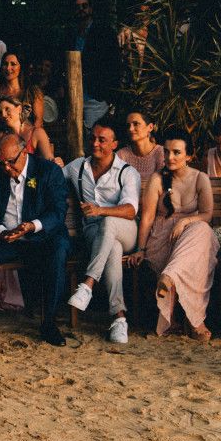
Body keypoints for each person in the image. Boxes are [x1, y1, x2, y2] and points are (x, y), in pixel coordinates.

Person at [0, 134, 70, 345]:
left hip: (41, 237)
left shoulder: (48, 171)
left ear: (24, 153)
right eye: (1, 162)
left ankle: (49, 323)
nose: (6, 168)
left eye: (10, 162)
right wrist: (1, 232)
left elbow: (58, 211)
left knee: (59, 250)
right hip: (8, 239)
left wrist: (32, 226)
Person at [127, 130, 217, 341]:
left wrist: (185, 221)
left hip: (191, 238)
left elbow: (207, 214)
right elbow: (147, 218)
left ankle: (169, 277)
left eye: (177, 152)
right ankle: (196, 322)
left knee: (202, 230)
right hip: (163, 240)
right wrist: (141, 249)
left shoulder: (200, 178)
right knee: (197, 253)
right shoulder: (157, 179)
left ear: (189, 155)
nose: (170, 157)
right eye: (166, 152)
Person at [64, 122, 142, 344]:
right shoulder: (77, 167)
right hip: (94, 233)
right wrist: (53, 162)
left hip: (126, 231)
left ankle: (88, 284)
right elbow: (53, 177)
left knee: (109, 224)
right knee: (112, 248)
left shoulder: (127, 172)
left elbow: (131, 210)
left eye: (102, 140)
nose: (95, 143)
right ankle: (119, 318)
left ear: (115, 144)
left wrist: (100, 210)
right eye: (93, 138)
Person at [71, 0, 117, 128]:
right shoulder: (71, 34)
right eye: (77, 7)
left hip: (95, 96)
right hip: (74, 95)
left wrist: (109, 95)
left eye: (84, 6)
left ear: (90, 9)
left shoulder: (104, 32)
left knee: (95, 133)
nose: (81, 9)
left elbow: (113, 63)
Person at [0, 52, 43, 133]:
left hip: (27, 136)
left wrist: (29, 138)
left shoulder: (32, 91)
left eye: (13, 64)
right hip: (0, 137)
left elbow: (38, 121)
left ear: (21, 67)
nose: (8, 68)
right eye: (5, 64)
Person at [0, 94, 55, 163]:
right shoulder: (0, 137)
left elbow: (50, 161)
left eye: (7, 109)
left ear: (19, 109)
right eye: (0, 112)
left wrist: (57, 161)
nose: (3, 115)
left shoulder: (37, 133)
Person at [117, 109, 165, 183]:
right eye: (128, 125)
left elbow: (164, 184)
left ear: (150, 127)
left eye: (136, 124)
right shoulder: (121, 155)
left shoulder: (162, 153)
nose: (130, 129)